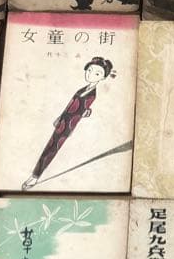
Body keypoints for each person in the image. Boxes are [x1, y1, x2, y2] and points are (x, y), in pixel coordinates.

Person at [22, 56, 114, 189]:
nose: (91, 74)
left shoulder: (92, 95)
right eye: (89, 70)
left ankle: (35, 177)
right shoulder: (81, 90)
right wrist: (59, 118)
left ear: (103, 77)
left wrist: (86, 113)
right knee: (49, 147)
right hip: (63, 122)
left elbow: (83, 110)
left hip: (69, 126)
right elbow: (70, 105)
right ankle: (34, 176)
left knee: (52, 149)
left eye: (97, 73)